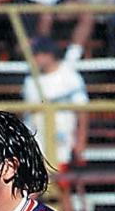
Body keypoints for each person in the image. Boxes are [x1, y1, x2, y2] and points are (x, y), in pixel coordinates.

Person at [21, 37, 88, 171]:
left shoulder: (69, 76)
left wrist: (80, 143)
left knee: (61, 186)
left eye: (36, 55)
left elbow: (82, 113)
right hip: (35, 141)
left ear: (49, 55)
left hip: (61, 141)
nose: (33, 59)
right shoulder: (30, 79)